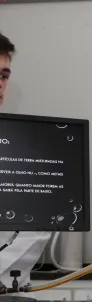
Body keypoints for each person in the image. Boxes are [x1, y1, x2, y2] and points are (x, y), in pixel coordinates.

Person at [0, 31, 52, 288]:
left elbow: (38, 225)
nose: (0, 84)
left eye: (4, 76)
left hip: (8, 297)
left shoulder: (27, 149)